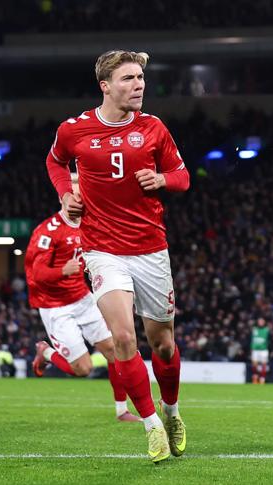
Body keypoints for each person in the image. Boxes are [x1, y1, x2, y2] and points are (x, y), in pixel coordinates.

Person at [45, 50, 190, 462]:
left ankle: (172, 412)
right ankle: (151, 425)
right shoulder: (74, 130)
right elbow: (55, 162)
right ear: (105, 86)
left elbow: (182, 177)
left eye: (141, 77)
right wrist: (66, 194)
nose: (139, 84)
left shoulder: (153, 128)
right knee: (124, 338)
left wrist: (161, 179)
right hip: (102, 248)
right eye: (129, 78)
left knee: (163, 344)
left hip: (150, 247)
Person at [26, 173, 140, 423]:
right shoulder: (48, 231)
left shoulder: (91, 224)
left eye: (82, 195)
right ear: (62, 198)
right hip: (55, 306)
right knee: (83, 369)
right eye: (74, 195)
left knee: (115, 351)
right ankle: (46, 353)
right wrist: (62, 271)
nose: (79, 200)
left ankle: (122, 410)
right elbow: (36, 274)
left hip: (82, 298)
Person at [250, 317, 270, 384]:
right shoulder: (254, 329)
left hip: (263, 350)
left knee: (263, 364)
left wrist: (269, 348)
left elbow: (270, 340)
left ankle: (262, 379)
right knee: (254, 365)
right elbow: (251, 339)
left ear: (264, 322)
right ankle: (255, 377)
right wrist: (251, 348)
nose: (260, 323)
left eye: (262, 321)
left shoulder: (267, 330)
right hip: (255, 349)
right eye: (259, 321)